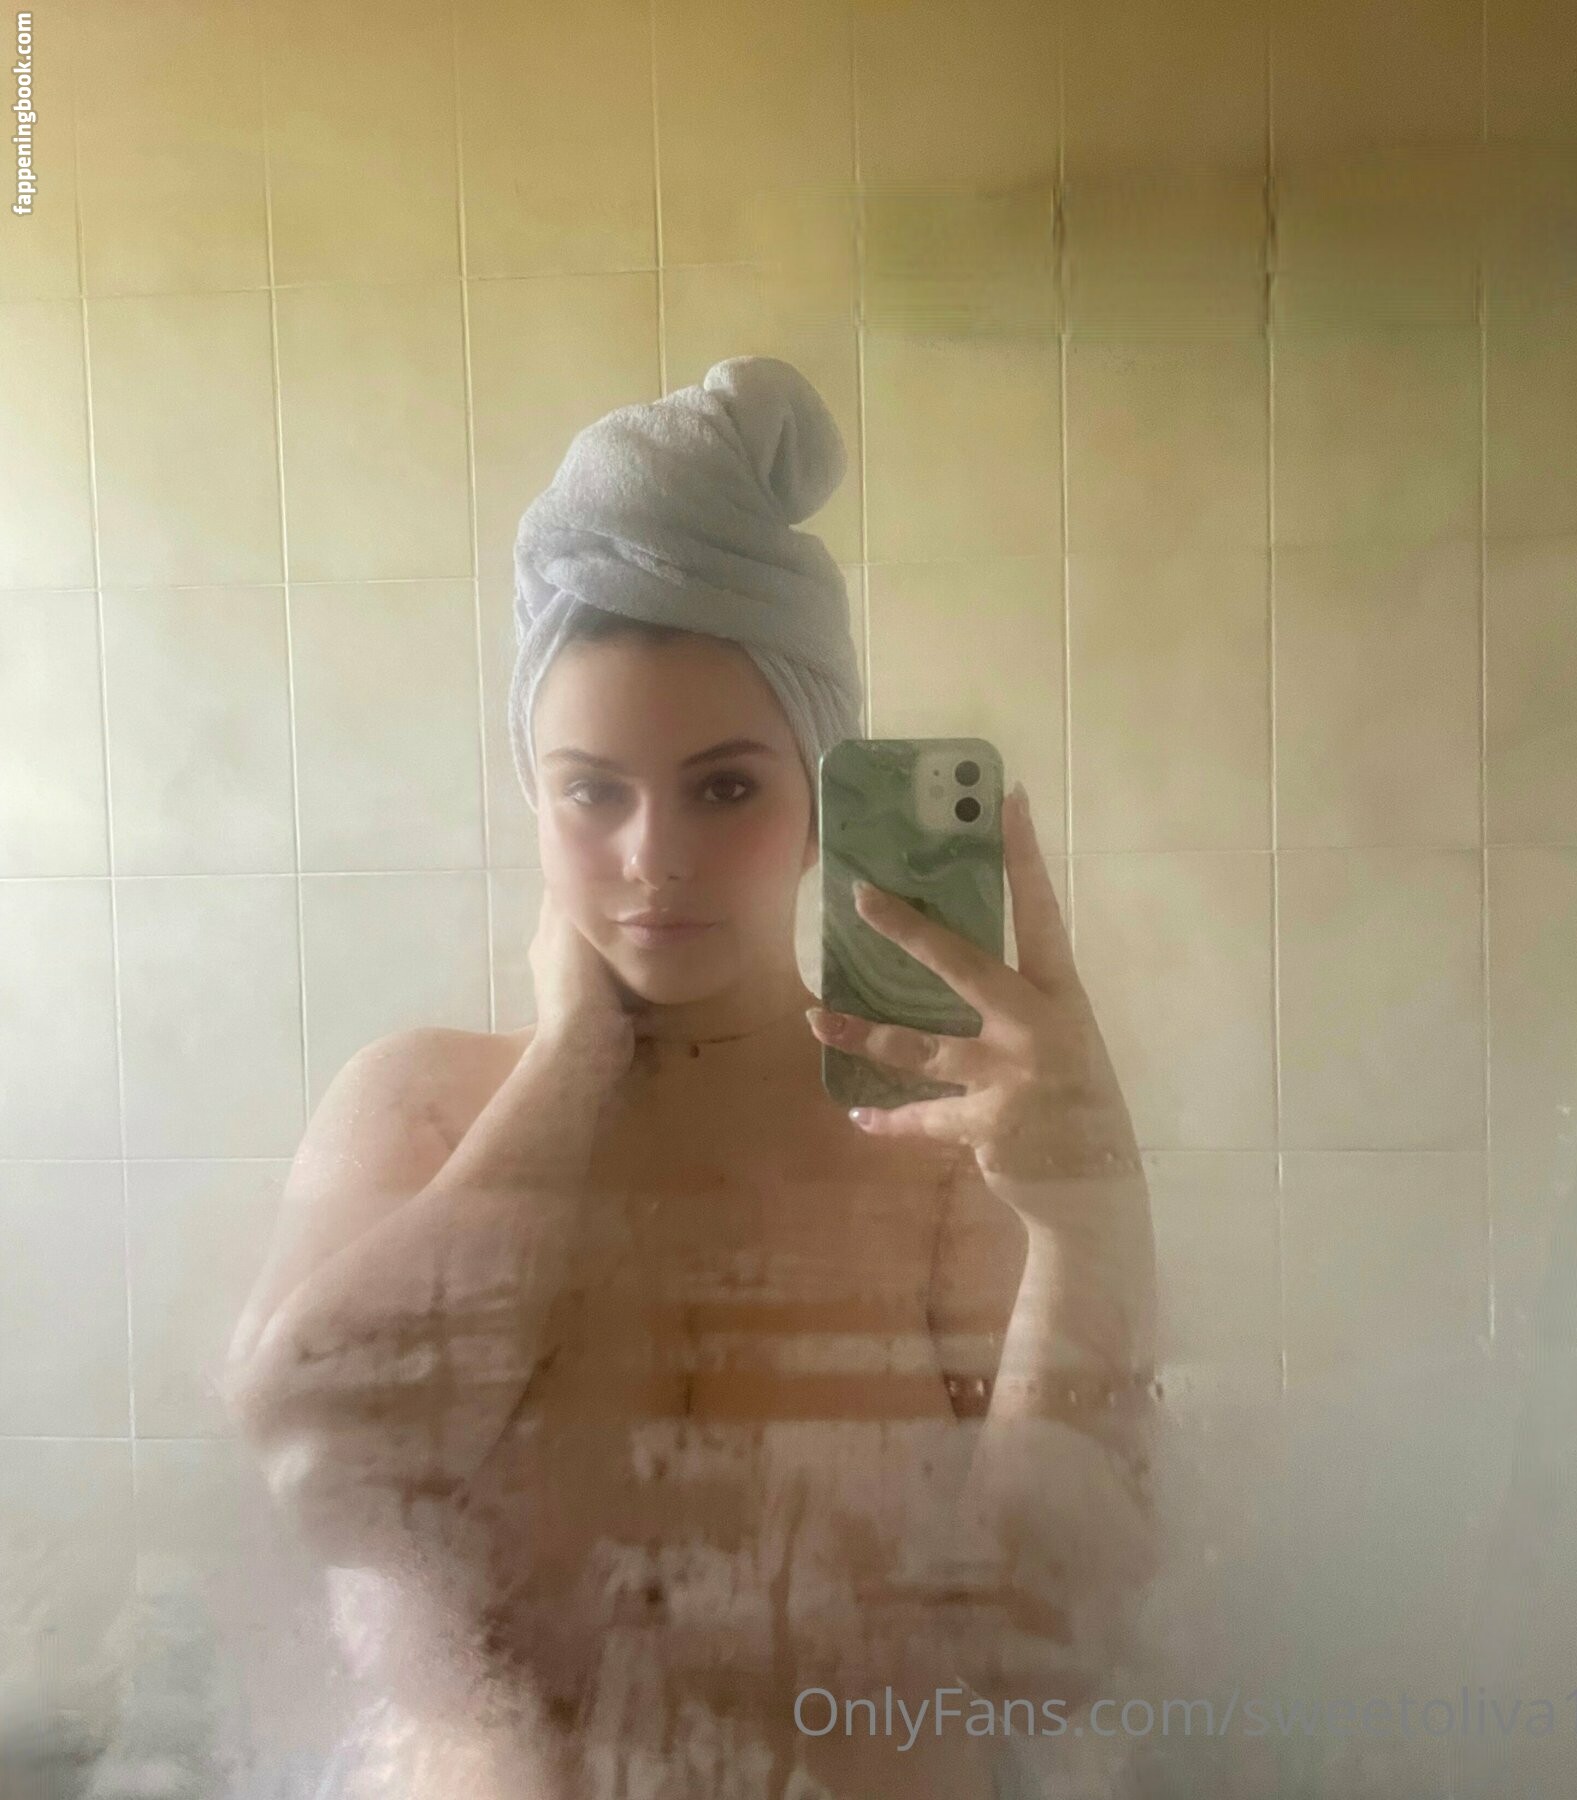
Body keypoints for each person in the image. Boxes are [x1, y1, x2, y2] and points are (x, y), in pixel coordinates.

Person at [223, 359, 1160, 1799]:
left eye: (724, 787)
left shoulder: (940, 1141)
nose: (652, 857)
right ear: (530, 795)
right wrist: (569, 1062)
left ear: (817, 803)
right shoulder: (423, 1105)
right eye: (590, 790)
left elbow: (1047, 1644)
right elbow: (320, 1471)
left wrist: (1085, 1221)